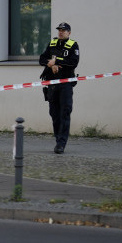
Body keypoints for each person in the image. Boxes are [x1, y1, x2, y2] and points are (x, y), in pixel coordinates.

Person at [38, 21, 80, 154]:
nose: (61, 32)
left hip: (66, 83)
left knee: (65, 112)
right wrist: (50, 65)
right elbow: (42, 59)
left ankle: (61, 143)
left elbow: (73, 63)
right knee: (54, 113)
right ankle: (58, 140)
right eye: (59, 30)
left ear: (69, 32)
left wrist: (57, 61)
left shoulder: (73, 45)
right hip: (52, 83)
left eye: (64, 30)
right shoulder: (53, 43)